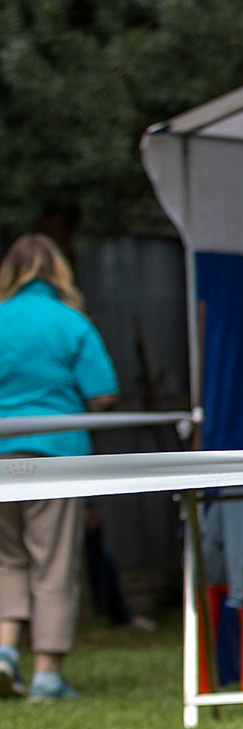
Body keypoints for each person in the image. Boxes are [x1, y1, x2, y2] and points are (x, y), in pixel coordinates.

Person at [0, 234, 119, 701]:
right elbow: (103, 393)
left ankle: (5, 652)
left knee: (5, 559)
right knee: (53, 563)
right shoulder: (71, 323)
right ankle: (48, 674)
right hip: (55, 457)